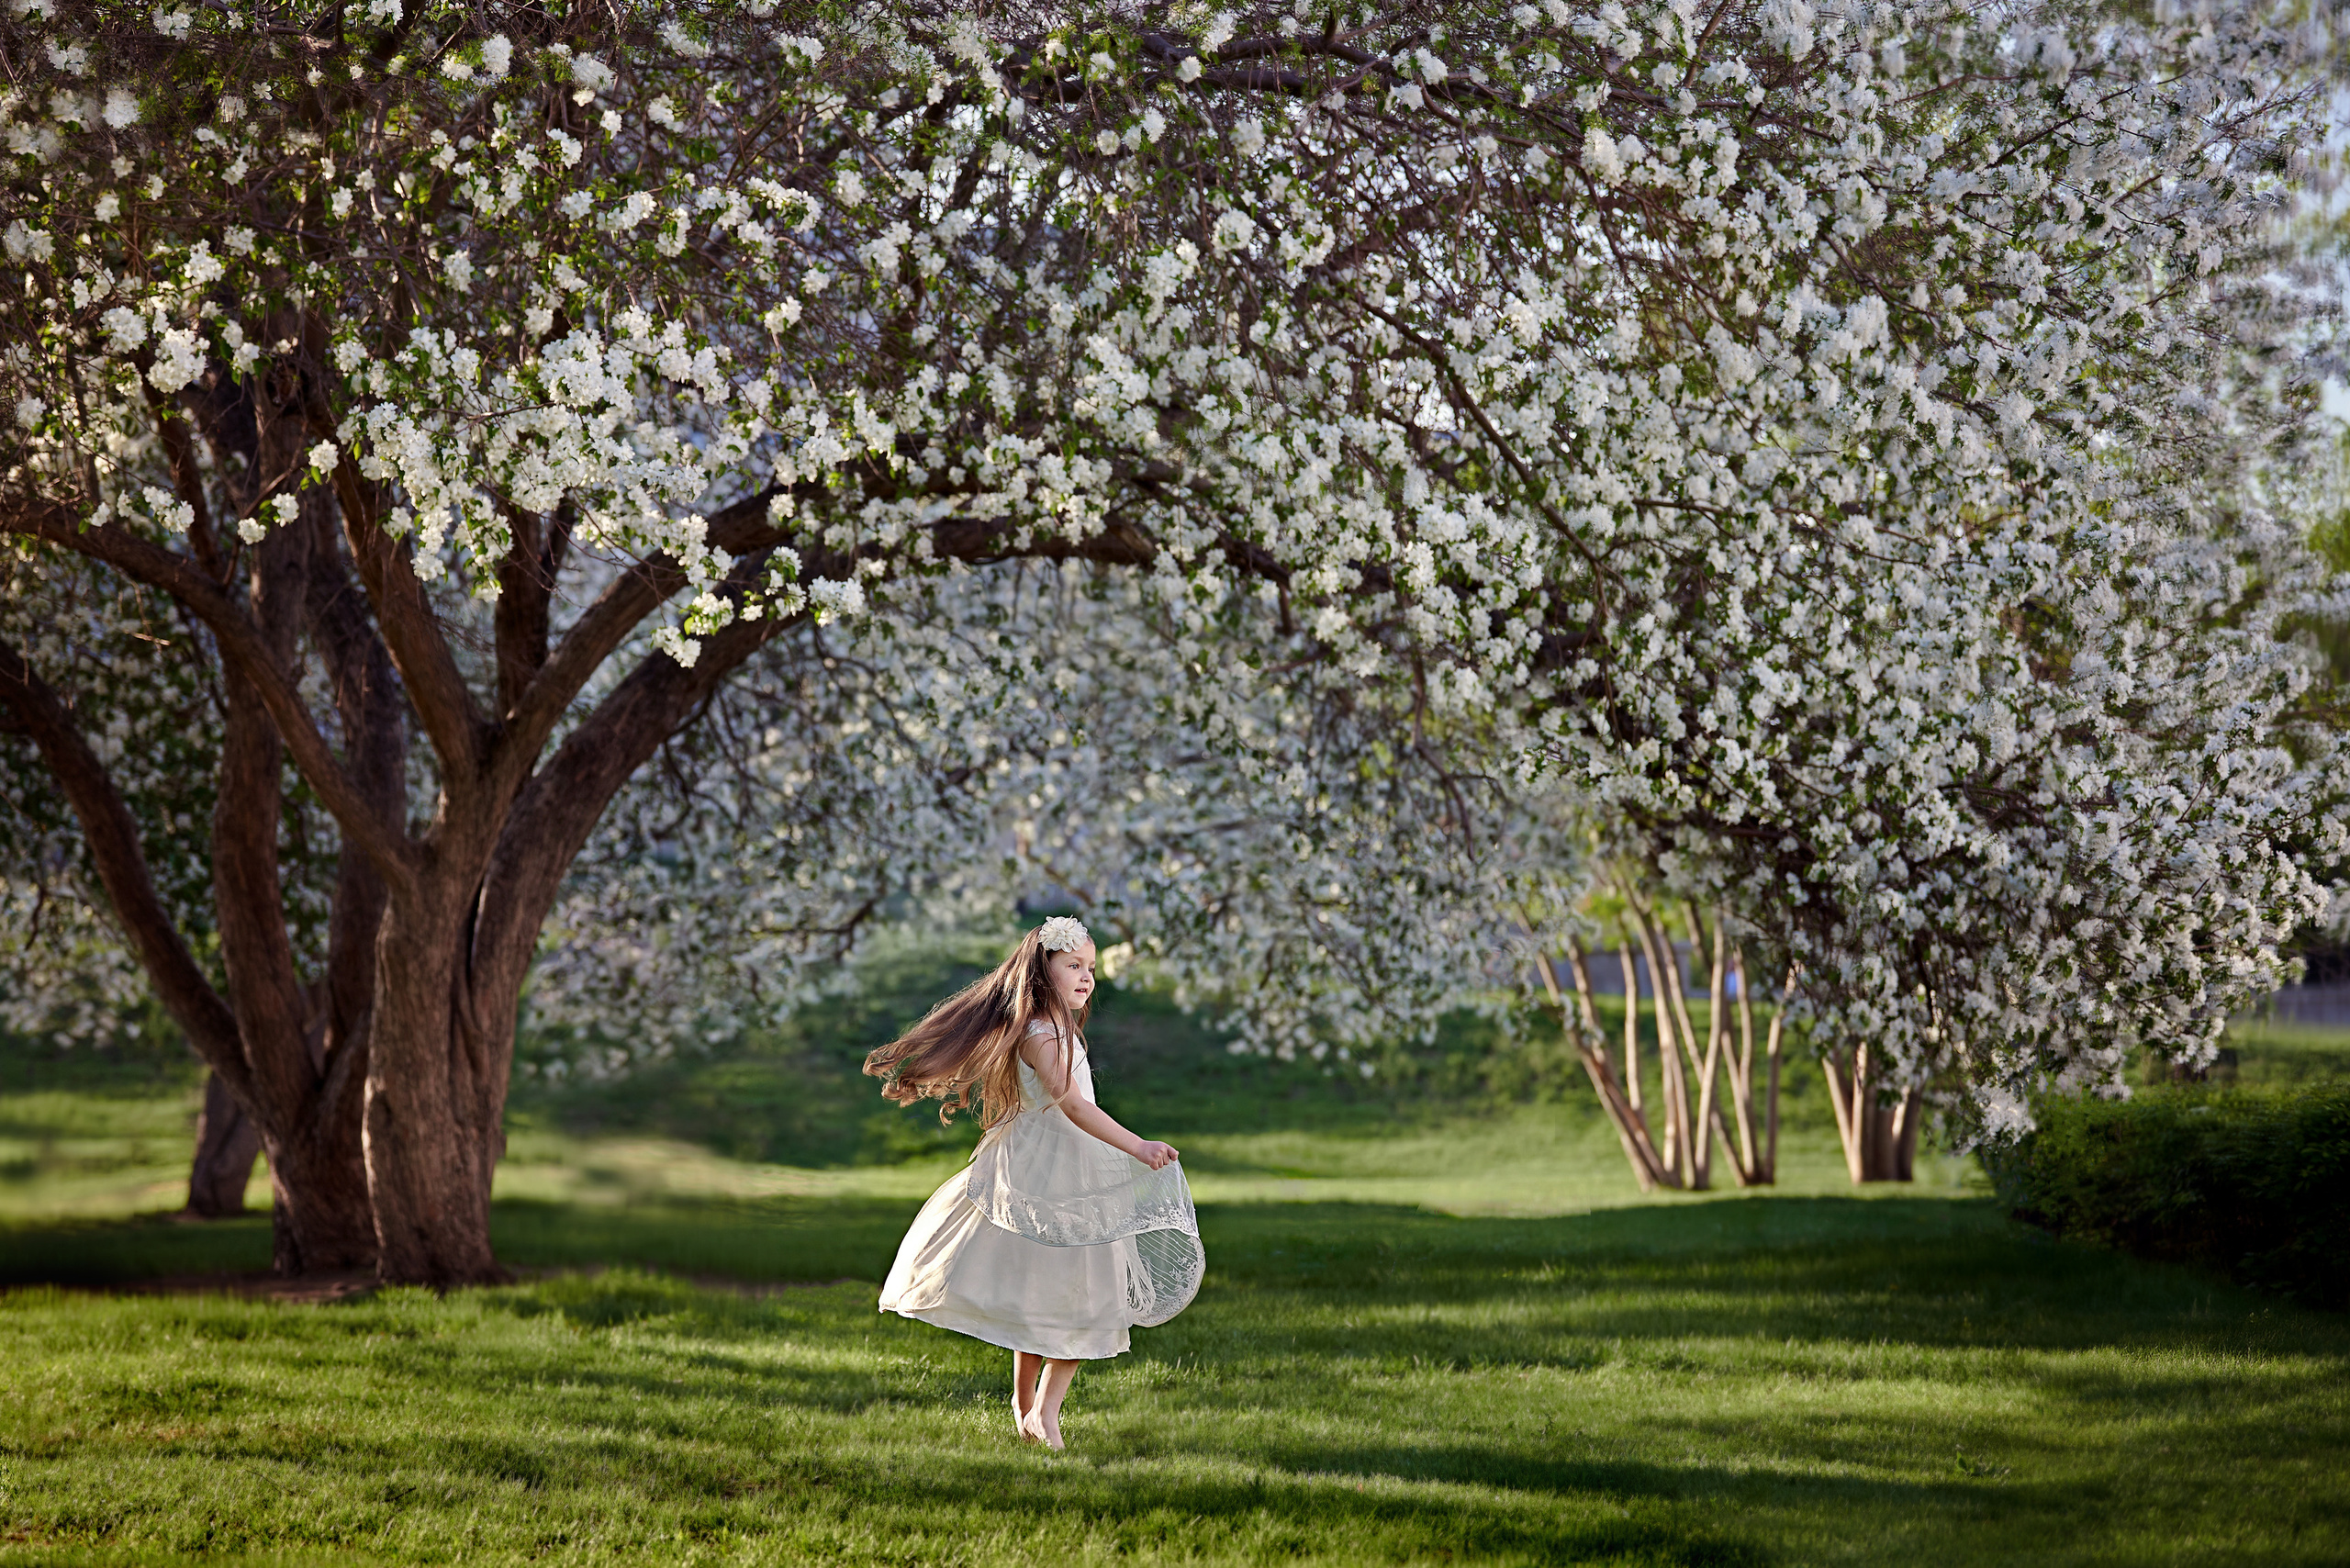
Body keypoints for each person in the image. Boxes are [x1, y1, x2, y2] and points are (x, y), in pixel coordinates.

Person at [864, 917, 1203, 1450]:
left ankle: (1033, 1412)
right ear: (1043, 971)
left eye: (1091, 968)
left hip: (1063, 1165)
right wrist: (1138, 1146)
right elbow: (1071, 1103)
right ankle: (1038, 1413)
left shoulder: (1055, 1028)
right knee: (1073, 1292)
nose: (1087, 978)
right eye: (1074, 966)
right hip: (1055, 1171)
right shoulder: (1041, 1035)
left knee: (1063, 1288)